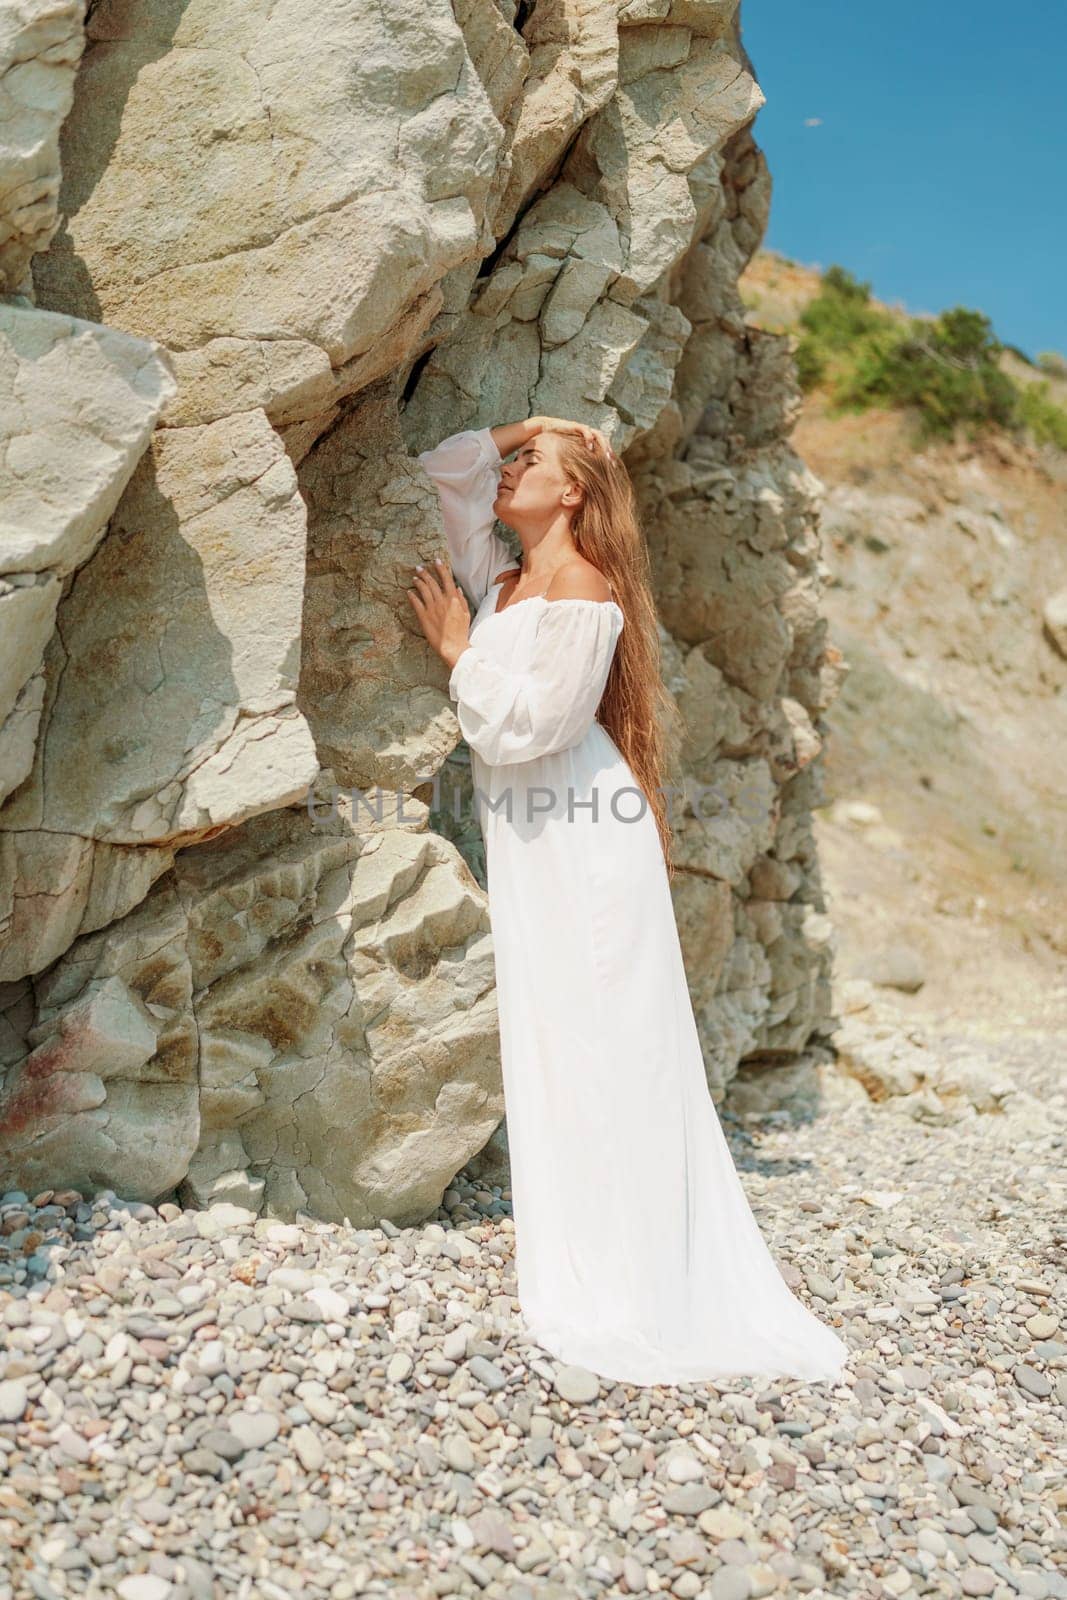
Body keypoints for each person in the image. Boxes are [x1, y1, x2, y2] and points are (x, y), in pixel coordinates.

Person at [407, 415, 849, 1388]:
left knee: (609, 1039)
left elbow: (530, 725)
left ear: (571, 495)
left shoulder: (583, 588)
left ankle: (637, 1271)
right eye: (514, 458)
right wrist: (532, 425)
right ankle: (591, 1241)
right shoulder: (505, 579)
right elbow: (444, 462)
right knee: (558, 1036)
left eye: (529, 464)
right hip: (537, 845)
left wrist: (454, 651)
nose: (509, 469)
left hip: (586, 844)